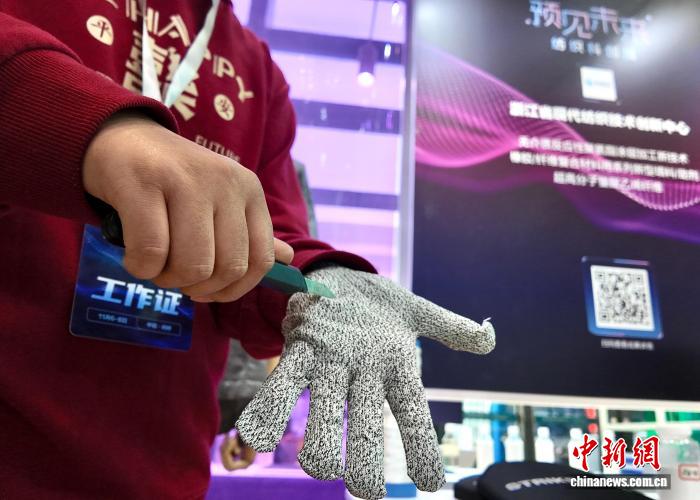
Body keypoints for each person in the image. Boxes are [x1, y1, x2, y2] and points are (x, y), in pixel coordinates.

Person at [0, 1, 496, 499]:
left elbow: (273, 234)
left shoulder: (256, 67)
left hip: (167, 468)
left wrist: (324, 282)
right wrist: (93, 129)